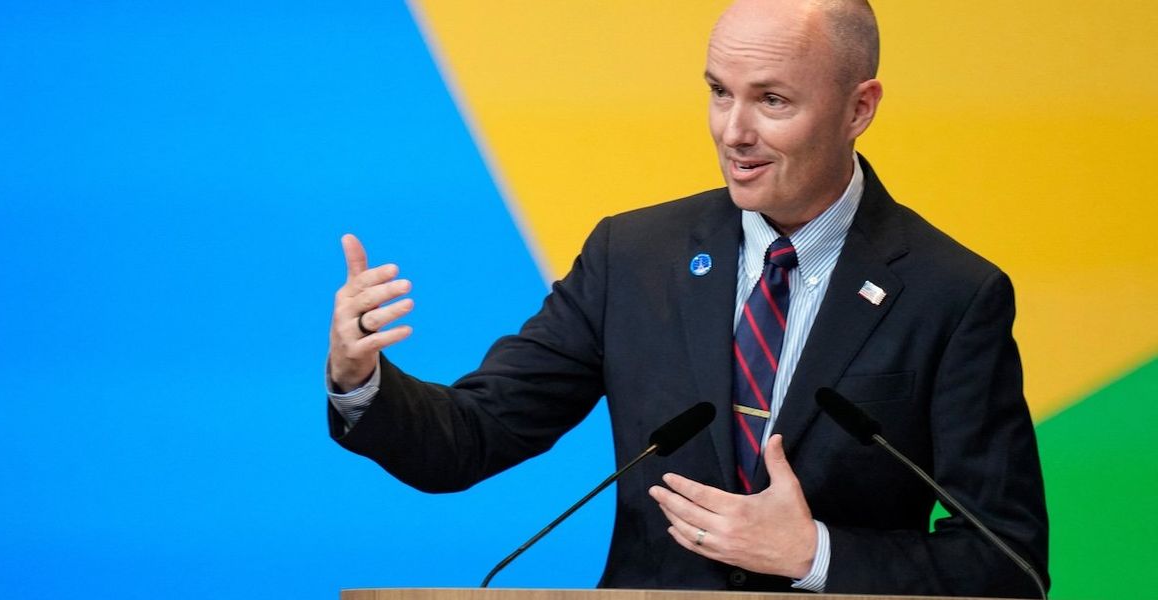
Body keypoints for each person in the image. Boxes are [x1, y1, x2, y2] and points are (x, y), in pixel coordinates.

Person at [325, 0, 1049, 596]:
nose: (734, 132)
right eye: (719, 92)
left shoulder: (952, 294)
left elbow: (1007, 565)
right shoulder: (633, 258)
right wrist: (361, 381)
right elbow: (469, 438)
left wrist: (814, 554)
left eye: (772, 100)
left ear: (859, 108)